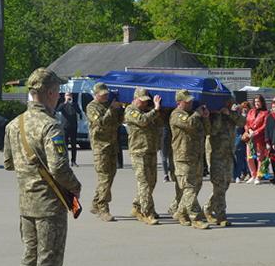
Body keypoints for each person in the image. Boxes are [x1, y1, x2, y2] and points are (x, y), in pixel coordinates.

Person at [2, 68, 82, 266]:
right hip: (50, 205)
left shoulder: (14, 125)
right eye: (57, 92)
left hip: (26, 205)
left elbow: (8, 163)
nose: (59, 97)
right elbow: (59, 167)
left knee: (29, 258)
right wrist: (75, 186)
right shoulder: (50, 125)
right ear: (48, 93)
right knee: (49, 261)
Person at [170, 89, 211, 229]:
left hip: (196, 156)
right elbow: (189, 124)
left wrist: (205, 117)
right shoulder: (176, 114)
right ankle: (196, 217)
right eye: (187, 101)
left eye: (191, 100)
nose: (190, 102)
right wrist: (197, 114)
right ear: (179, 102)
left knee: (196, 186)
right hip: (183, 157)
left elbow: (208, 131)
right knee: (189, 188)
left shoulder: (194, 115)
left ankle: (181, 212)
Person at [123, 86, 163, 225]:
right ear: (135, 99)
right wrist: (155, 109)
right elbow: (142, 120)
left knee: (152, 181)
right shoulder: (130, 110)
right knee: (144, 183)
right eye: (142, 101)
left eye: (147, 101)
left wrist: (155, 110)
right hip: (138, 152)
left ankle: (137, 206)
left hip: (150, 150)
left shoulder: (148, 110)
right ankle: (147, 212)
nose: (145, 103)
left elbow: (159, 123)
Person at [85, 82, 124, 222]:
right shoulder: (92, 107)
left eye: (106, 93)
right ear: (96, 95)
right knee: (104, 177)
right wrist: (111, 109)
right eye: (103, 94)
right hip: (100, 147)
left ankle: (96, 202)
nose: (106, 96)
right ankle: (103, 208)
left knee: (110, 176)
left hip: (112, 145)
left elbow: (119, 122)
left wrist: (120, 109)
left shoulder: (110, 104)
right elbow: (100, 122)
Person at [205, 100, 244, 225]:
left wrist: (229, 114)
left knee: (226, 183)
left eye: (229, 102)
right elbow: (212, 130)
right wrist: (218, 115)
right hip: (216, 154)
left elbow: (243, 122)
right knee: (219, 184)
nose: (228, 104)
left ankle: (208, 207)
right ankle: (221, 216)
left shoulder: (231, 114)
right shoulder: (212, 114)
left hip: (228, 154)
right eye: (226, 102)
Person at [243, 94, 269, 183]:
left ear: (262, 102)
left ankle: (258, 176)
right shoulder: (251, 111)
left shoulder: (266, 113)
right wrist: (249, 130)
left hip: (259, 138)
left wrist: (255, 132)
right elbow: (246, 123)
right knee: (249, 157)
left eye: (259, 101)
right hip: (250, 137)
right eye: (256, 101)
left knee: (260, 158)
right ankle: (253, 175)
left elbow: (265, 125)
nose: (257, 103)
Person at [58, 92, 82, 166]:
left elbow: (79, 112)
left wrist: (72, 103)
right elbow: (58, 109)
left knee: (74, 145)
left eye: (70, 95)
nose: (68, 97)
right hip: (65, 127)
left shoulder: (74, 104)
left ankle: (73, 161)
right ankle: (65, 161)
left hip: (73, 127)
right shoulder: (62, 105)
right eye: (67, 95)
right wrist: (65, 102)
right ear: (65, 96)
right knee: (64, 145)